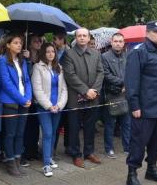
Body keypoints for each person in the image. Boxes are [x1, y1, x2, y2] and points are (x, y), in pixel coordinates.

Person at [125, 21, 157, 185]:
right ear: (148, 33)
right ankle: (131, 174)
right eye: (156, 31)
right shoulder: (138, 53)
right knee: (138, 142)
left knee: (156, 142)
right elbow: (131, 82)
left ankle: (152, 169)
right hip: (144, 109)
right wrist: (134, 105)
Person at [61, 28, 104, 168]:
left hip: (93, 98)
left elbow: (100, 72)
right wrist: (86, 91)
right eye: (79, 36)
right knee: (74, 127)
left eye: (84, 35)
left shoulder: (96, 53)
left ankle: (89, 152)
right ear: (75, 38)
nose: (82, 38)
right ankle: (75, 154)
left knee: (90, 126)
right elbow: (70, 75)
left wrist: (94, 90)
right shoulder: (69, 54)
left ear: (89, 37)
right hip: (76, 98)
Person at [0, 33, 32, 177]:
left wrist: (28, 97)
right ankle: (10, 161)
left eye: (20, 43)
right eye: (16, 43)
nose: (19, 45)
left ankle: (18, 159)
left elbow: (27, 81)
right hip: (10, 102)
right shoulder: (2, 60)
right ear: (8, 45)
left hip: (24, 102)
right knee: (10, 133)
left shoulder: (22, 60)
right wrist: (22, 99)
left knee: (20, 133)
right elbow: (7, 84)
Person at [31, 43, 68, 177]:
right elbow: (37, 89)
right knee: (47, 133)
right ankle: (46, 164)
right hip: (44, 107)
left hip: (57, 107)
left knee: (53, 133)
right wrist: (49, 106)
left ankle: (50, 156)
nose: (51, 54)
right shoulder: (37, 67)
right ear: (43, 53)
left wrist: (59, 105)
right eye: (48, 52)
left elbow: (64, 89)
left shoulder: (59, 67)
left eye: (53, 51)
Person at [101, 33, 131, 158]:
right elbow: (106, 74)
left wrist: (127, 84)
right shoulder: (104, 57)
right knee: (110, 124)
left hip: (125, 94)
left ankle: (127, 147)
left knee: (127, 123)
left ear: (123, 43)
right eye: (116, 41)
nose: (118, 43)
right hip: (112, 93)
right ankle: (109, 149)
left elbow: (131, 72)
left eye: (120, 41)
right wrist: (122, 82)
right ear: (111, 42)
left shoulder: (127, 56)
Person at [23, 34, 43, 163]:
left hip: (38, 96)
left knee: (35, 125)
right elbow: (27, 75)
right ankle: (25, 151)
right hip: (28, 94)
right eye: (35, 40)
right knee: (27, 125)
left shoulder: (41, 56)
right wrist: (28, 60)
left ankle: (34, 149)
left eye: (40, 40)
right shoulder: (25, 57)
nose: (38, 42)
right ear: (29, 43)